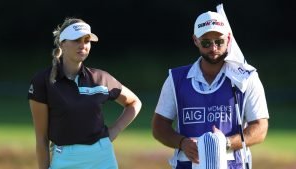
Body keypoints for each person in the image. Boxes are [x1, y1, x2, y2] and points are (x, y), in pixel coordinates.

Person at [152, 11, 269, 169]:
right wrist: (182, 143)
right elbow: (159, 127)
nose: (213, 48)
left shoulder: (247, 77)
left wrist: (225, 144)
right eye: (206, 43)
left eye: (219, 41)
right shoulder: (176, 78)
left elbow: (260, 128)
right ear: (195, 40)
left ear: (228, 39)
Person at [28, 17, 142, 169]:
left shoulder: (101, 78)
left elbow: (134, 102)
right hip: (65, 159)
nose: (83, 45)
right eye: (76, 40)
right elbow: (41, 138)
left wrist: (114, 131)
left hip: (103, 158)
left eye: (86, 41)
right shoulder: (43, 81)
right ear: (62, 43)